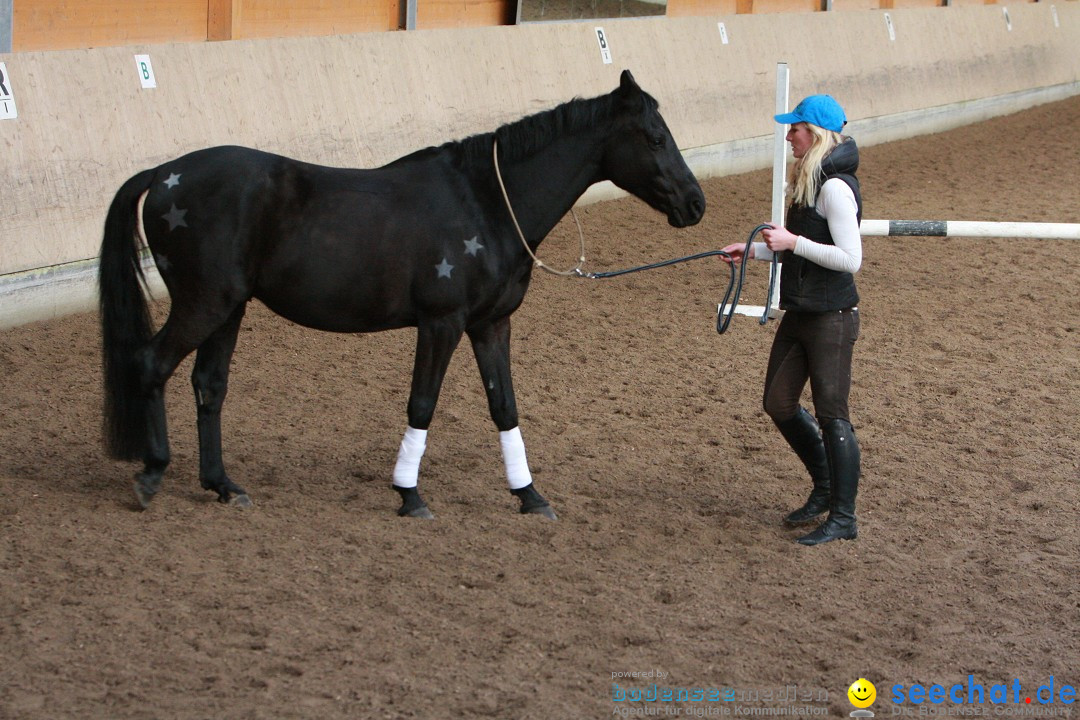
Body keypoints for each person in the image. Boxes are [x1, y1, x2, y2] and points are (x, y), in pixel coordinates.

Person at [722, 94, 863, 546]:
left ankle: (844, 517)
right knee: (778, 403)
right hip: (802, 311)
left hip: (832, 319)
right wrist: (755, 250)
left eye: (795, 129)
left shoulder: (835, 188)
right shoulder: (808, 181)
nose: (788, 136)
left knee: (833, 416)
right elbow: (794, 245)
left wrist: (790, 241)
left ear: (815, 133)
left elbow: (849, 259)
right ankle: (823, 488)